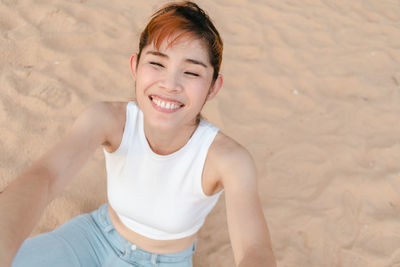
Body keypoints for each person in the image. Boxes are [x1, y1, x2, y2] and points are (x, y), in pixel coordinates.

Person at [0, 1, 276, 266]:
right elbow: (45, 177)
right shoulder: (108, 119)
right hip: (92, 239)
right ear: (135, 67)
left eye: (191, 72)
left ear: (213, 87)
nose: (170, 84)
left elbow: (254, 248)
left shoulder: (229, 159)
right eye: (157, 64)